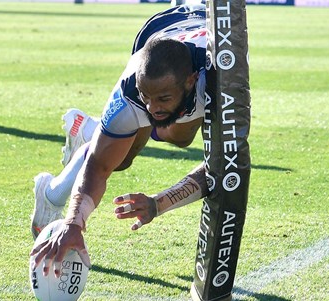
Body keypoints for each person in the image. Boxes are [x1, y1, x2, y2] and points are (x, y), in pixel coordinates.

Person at [29, 4, 209, 277]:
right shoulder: (130, 92)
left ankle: (94, 132)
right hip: (157, 31)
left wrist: (158, 203)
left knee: (181, 137)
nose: (152, 107)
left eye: (162, 98)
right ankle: (55, 187)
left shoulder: (220, 83)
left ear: (190, 82)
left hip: (203, 29)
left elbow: (224, 165)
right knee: (119, 160)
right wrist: (74, 224)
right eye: (146, 98)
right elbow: (98, 167)